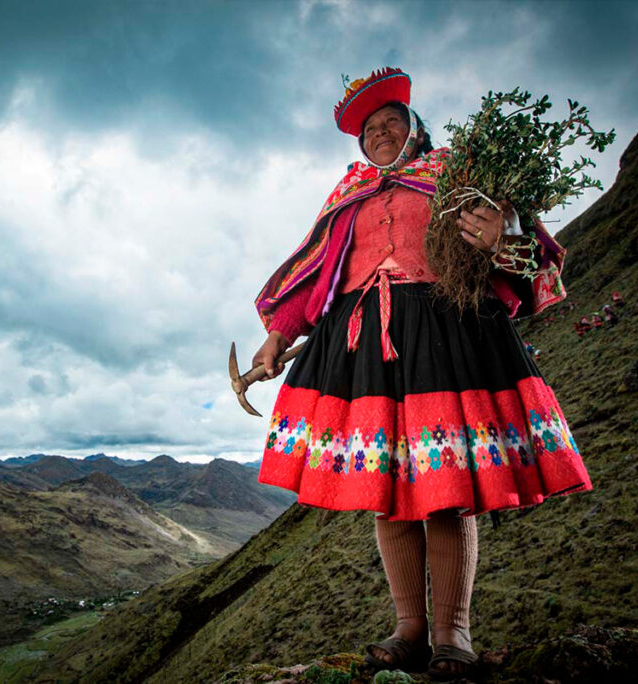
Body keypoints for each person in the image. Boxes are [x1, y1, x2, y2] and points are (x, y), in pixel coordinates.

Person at [251, 68, 592, 679]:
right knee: (388, 493)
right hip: (365, 347)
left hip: (446, 332)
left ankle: (452, 631)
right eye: (370, 131)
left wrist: (498, 234)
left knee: (446, 490)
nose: (380, 134)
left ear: (415, 129)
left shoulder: (456, 177)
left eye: (391, 123)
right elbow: (315, 276)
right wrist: (279, 334)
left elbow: (523, 248)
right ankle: (409, 626)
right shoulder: (345, 196)